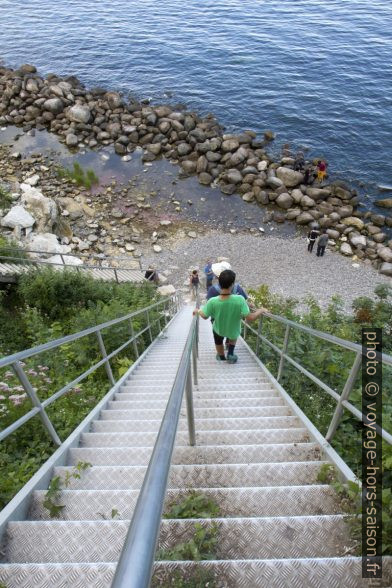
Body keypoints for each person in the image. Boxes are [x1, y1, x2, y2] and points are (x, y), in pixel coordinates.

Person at [193, 269, 267, 363]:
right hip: (233, 330)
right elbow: (250, 317)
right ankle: (231, 354)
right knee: (233, 335)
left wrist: (198, 310)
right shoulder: (240, 300)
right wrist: (261, 310)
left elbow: (205, 316)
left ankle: (221, 356)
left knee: (218, 340)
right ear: (232, 284)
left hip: (218, 329)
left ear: (219, 282)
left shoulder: (213, 301)